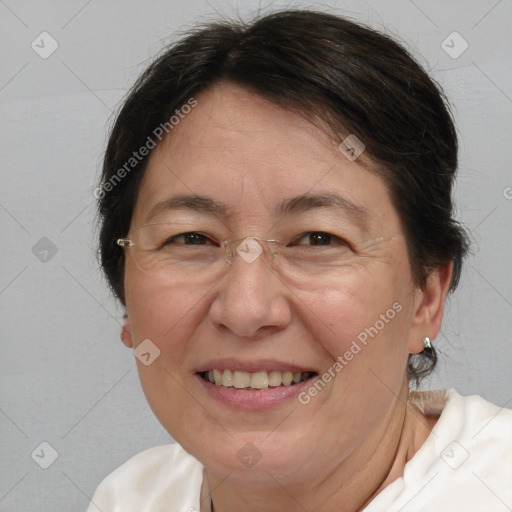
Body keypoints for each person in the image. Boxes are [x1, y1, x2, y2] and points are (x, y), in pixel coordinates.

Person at [87, 9, 512, 512]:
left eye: (317, 239)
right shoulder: (131, 497)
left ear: (427, 298)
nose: (246, 309)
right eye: (192, 238)